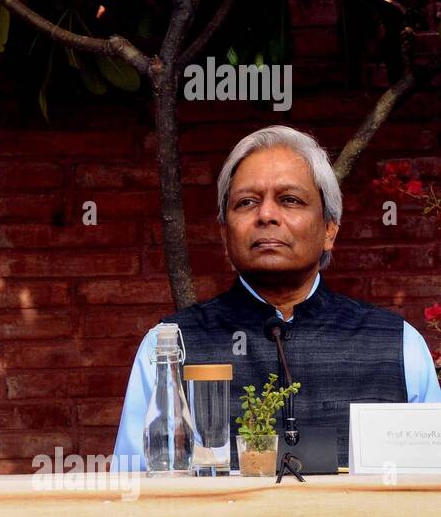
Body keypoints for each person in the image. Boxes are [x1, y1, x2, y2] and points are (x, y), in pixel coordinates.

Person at [113, 125, 441, 469]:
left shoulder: (395, 344)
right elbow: (131, 495)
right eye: (247, 202)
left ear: (330, 228)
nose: (266, 215)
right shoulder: (168, 347)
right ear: (225, 232)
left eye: (290, 200)